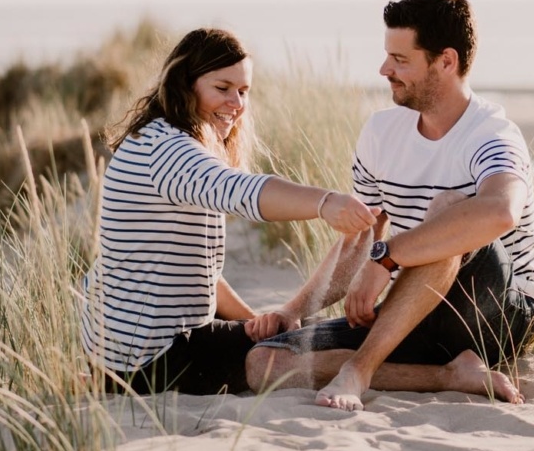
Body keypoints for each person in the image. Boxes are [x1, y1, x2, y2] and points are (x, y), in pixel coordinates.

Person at [248, 0, 534, 410]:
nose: (385, 69)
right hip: (417, 302)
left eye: (401, 60)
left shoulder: (491, 134)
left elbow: (500, 211)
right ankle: (449, 375)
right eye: (388, 56)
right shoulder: (381, 133)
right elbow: (361, 236)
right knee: (265, 363)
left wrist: (387, 258)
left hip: (496, 309)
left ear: (446, 61)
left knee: (447, 213)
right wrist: (296, 307)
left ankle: (359, 371)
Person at [79, 27, 376, 396]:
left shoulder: (158, 138)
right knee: (302, 344)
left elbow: (197, 274)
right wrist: (324, 202)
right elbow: (242, 191)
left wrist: (253, 322)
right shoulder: (168, 151)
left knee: (288, 330)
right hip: (151, 358)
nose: (235, 103)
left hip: (119, 350)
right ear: (185, 85)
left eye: (243, 91)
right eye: (222, 88)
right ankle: (440, 373)